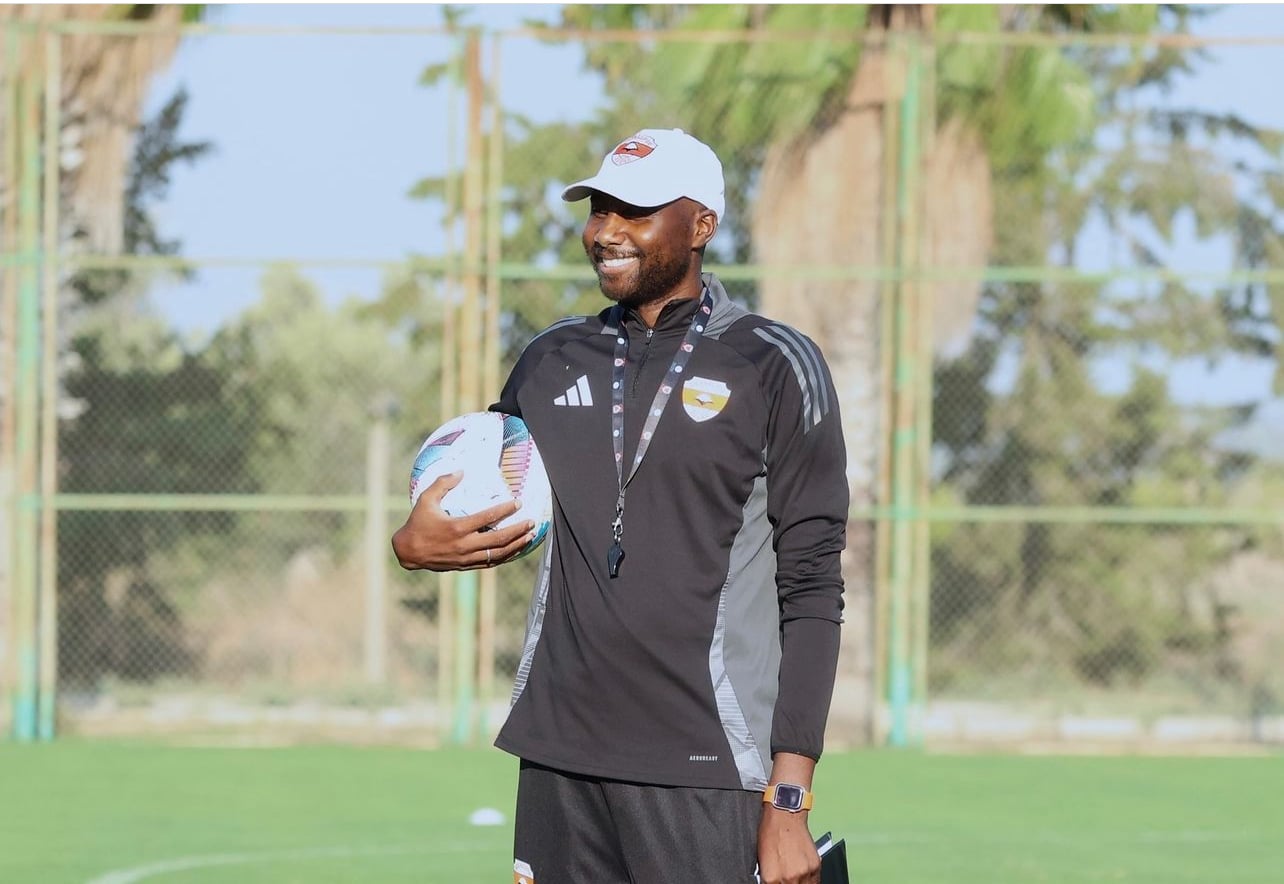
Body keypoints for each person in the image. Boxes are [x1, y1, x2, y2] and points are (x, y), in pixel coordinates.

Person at [392, 128, 847, 884]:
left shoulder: (773, 362)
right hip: (560, 757)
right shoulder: (549, 360)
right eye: (598, 209)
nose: (605, 231)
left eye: (634, 211)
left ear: (701, 225)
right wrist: (415, 545)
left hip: (705, 763)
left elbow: (813, 587)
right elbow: (482, 490)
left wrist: (790, 797)